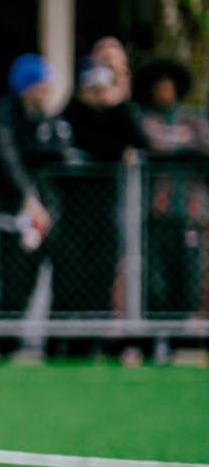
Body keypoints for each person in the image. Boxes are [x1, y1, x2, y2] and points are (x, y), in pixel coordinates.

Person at [52, 55, 150, 355]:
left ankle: (92, 344)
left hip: (104, 215)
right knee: (68, 282)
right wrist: (113, 150)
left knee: (100, 281)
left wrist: (118, 104)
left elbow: (139, 140)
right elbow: (83, 142)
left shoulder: (117, 114)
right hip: (71, 215)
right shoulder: (69, 116)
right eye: (92, 87)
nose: (98, 93)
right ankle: (57, 344)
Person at [0, 54, 75, 358]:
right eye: (41, 83)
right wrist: (27, 198)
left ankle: (21, 344)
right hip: (7, 214)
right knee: (8, 281)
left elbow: (57, 152)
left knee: (32, 280)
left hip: (39, 215)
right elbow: (6, 159)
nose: (47, 89)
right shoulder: (1, 118)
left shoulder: (42, 120)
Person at [137, 58, 207, 325]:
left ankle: (180, 332)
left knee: (189, 277)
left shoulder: (193, 117)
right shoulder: (144, 116)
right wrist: (181, 147)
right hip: (155, 214)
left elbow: (202, 146)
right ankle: (157, 336)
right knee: (156, 280)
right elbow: (153, 144)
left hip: (188, 213)